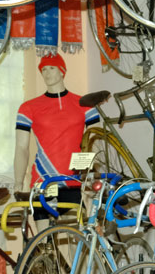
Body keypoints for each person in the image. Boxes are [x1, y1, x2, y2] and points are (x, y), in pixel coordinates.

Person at [14, 53, 99, 216]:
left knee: (79, 237)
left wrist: (95, 173)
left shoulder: (85, 105)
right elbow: (21, 147)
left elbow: (96, 143)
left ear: (62, 71)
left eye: (52, 68)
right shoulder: (29, 108)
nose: (47, 73)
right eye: (43, 69)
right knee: (44, 238)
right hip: (42, 179)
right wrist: (18, 181)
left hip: (74, 180)